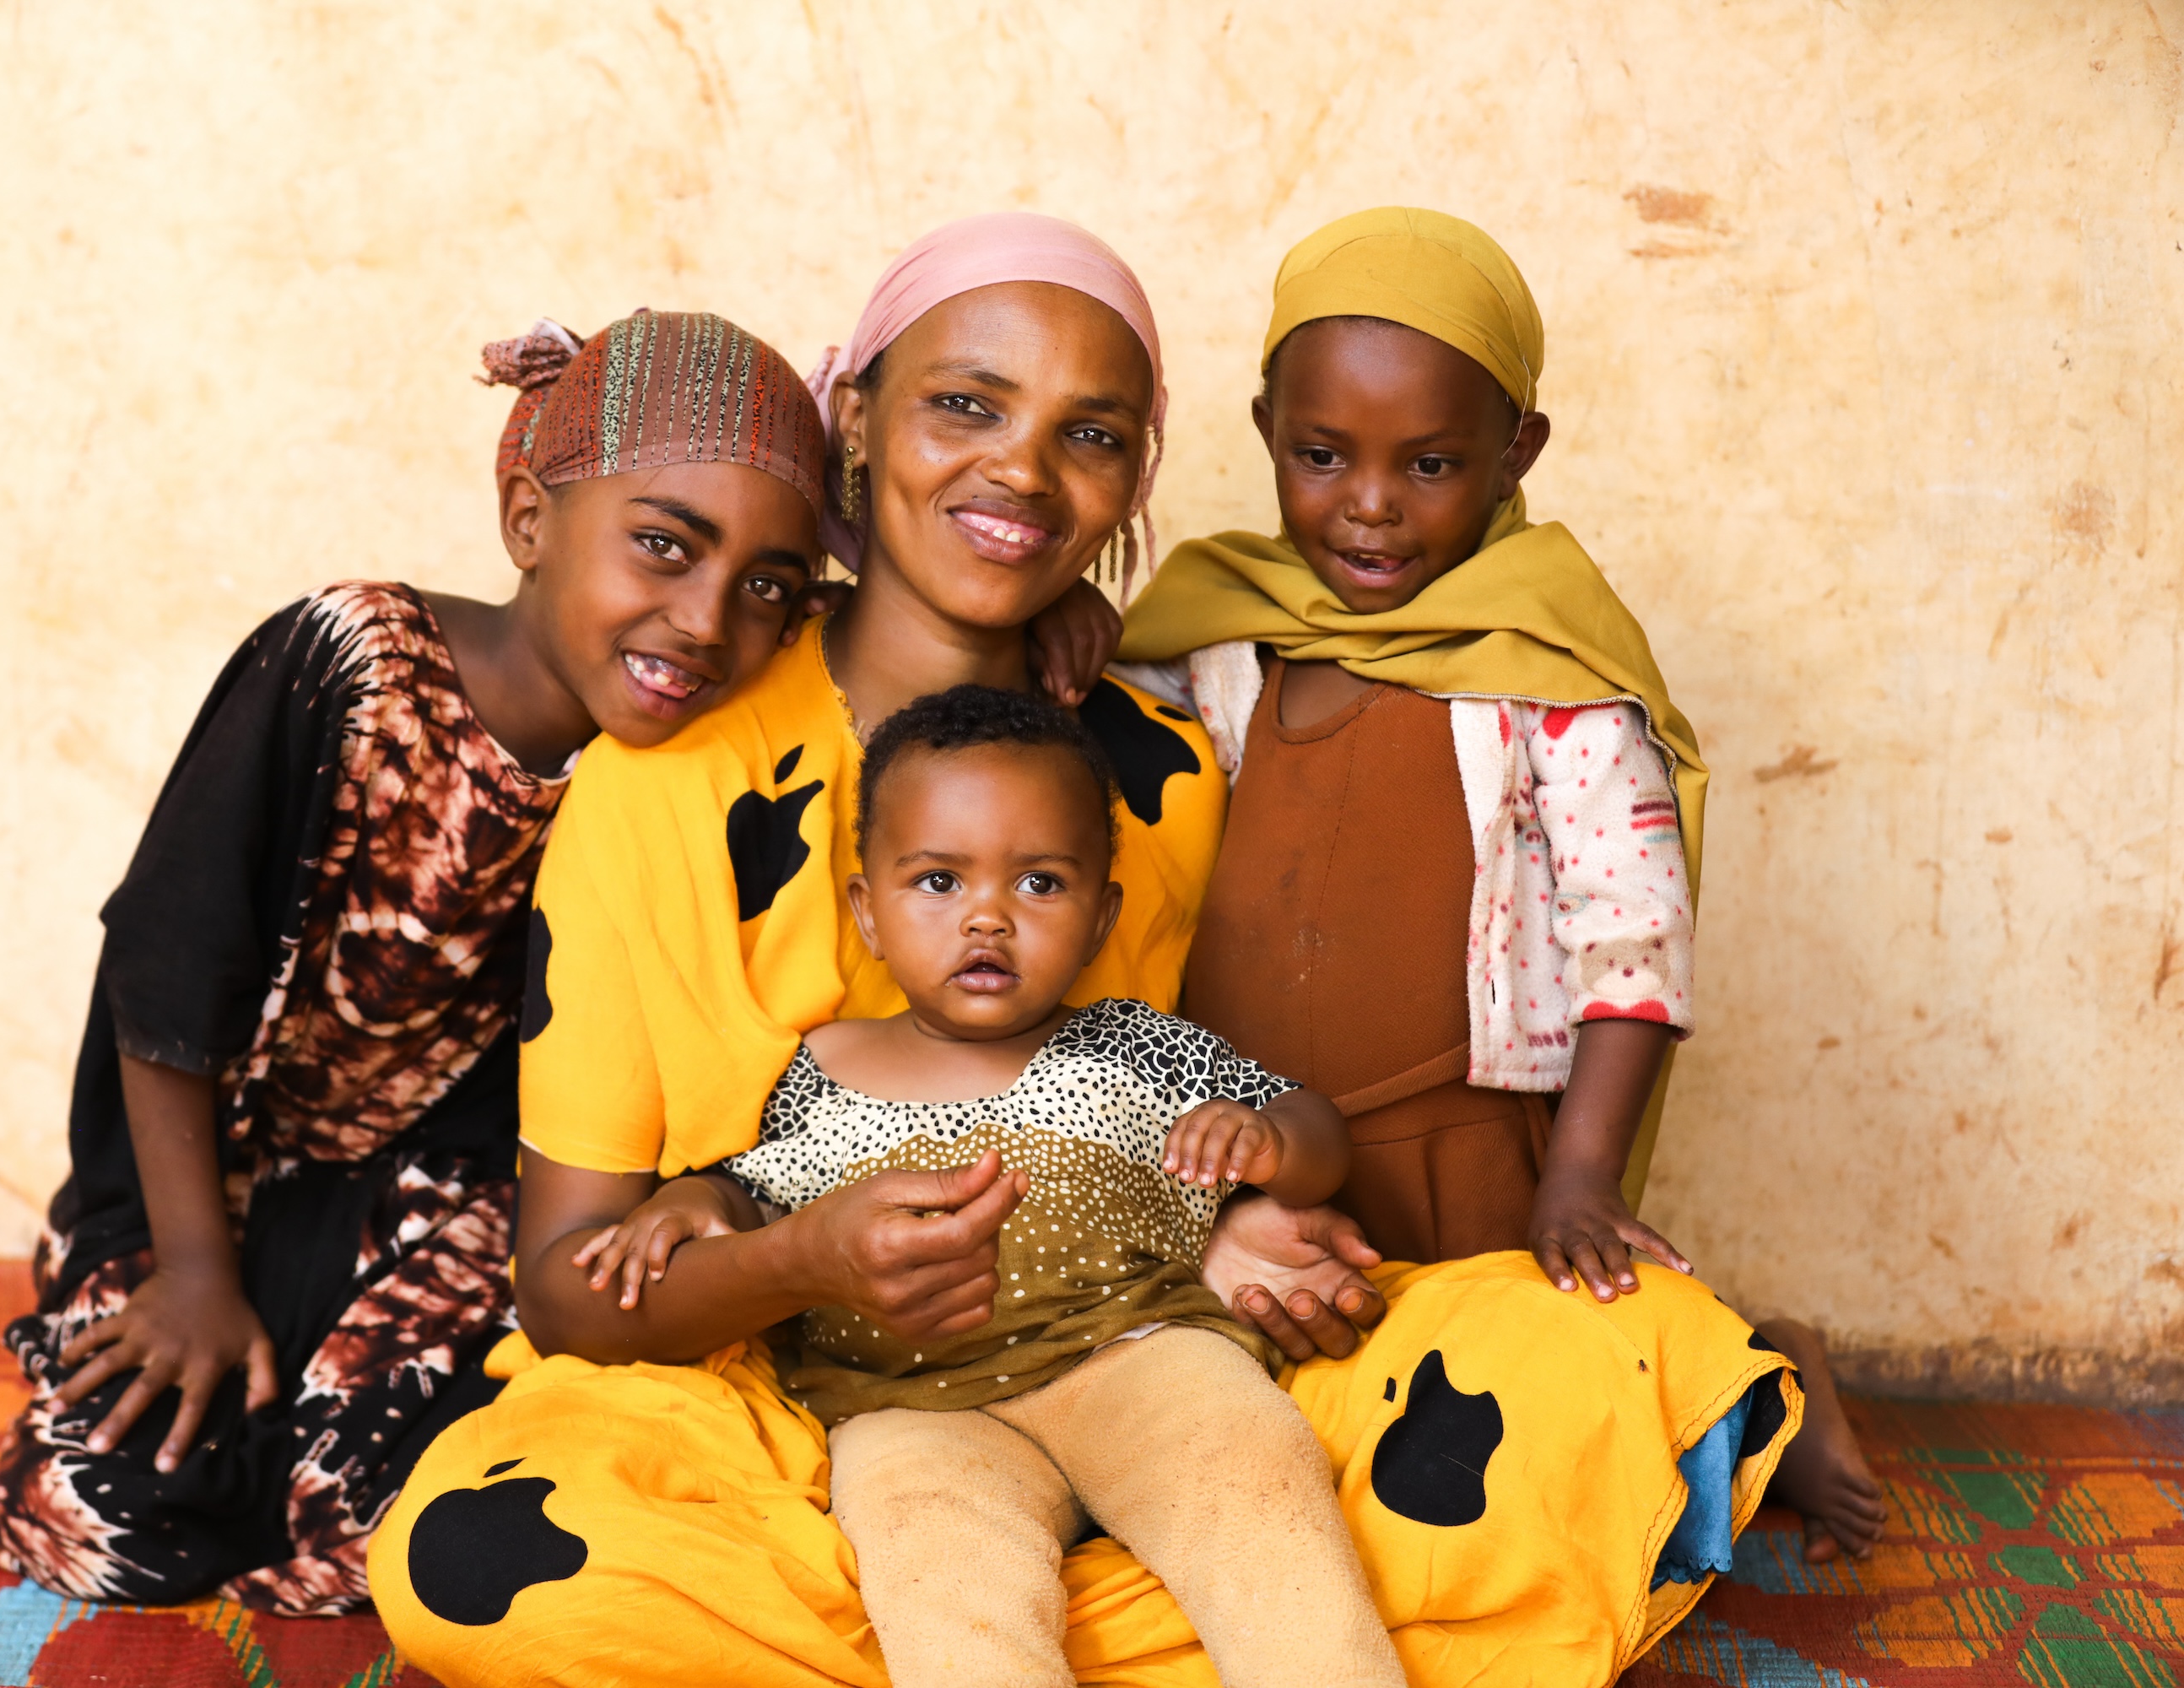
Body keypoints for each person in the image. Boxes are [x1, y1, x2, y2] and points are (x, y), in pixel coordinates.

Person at [372, 214, 1800, 1688]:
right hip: (782, 1396)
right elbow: (564, 1287)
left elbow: (1161, 1092)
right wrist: (799, 1260)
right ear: (855, 415)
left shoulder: (1164, 754)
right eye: (966, 405)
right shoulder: (666, 776)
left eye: (1093, 435)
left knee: (1606, 1361)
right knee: (481, 1567)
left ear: (1138, 476)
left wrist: (1224, 1225)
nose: (1023, 472)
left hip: (1150, 1348)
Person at [0, 310, 840, 1613]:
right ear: (529, 521)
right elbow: (165, 977)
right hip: (210, 1185)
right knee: (106, 1510)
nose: (706, 620)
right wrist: (193, 1273)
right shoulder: (346, 665)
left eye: (766, 585)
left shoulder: (682, 757)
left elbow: (876, 643)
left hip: (448, 1215)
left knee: (394, 1520)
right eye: (662, 544)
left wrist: (1059, 631)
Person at [1114, 206, 1887, 1564]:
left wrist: (1577, 1176)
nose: (1368, 503)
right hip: (1261, 1144)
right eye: (1321, 455)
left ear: (1516, 453)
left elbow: (1630, 940)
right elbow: (1106, 777)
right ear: (1263, 431)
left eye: (1428, 464)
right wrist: (1079, 627)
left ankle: (1762, 1384)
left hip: (1462, 1145)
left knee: (1517, 1415)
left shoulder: (1551, 677)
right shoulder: (1227, 637)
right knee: (1276, 1420)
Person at [587, 684, 1405, 1688]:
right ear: (868, 912)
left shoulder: (1133, 1047)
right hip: (908, 1407)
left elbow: (1318, 1131)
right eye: (936, 880)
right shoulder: (825, 1065)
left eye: (1041, 884)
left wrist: (1270, 1137)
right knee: (935, 1573)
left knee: (1254, 1472)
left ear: (1103, 913)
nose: (987, 915)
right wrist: (686, 1203)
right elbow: (753, 1193)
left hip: (1134, 1359)